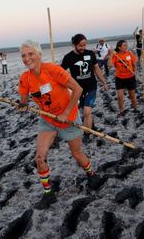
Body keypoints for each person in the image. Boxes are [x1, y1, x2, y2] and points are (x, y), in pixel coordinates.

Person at [18, 40, 104, 209]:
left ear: (38, 55)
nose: (27, 58)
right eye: (23, 55)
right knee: (39, 158)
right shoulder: (25, 78)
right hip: (48, 120)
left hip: (69, 118)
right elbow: (23, 101)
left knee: (77, 154)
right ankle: (48, 194)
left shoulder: (52, 70)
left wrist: (65, 113)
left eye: (30, 54)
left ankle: (91, 174)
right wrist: (22, 105)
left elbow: (78, 89)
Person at [61, 34, 108, 143]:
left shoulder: (90, 54)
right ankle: (91, 125)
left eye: (84, 45)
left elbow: (96, 69)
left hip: (91, 87)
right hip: (77, 90)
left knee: (87, 112)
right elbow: (61, 73)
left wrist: (104, 82)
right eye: (80, 45)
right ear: (74, 45)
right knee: (84, 112)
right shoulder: (68, 57)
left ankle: (87, 134)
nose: (83, 47)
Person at [109, 40, 138, 115]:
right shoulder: (116, 56)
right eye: (124, 45)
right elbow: (109, 65)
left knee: (132, 96)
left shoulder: (130, 54)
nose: (126, 47)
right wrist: (111, 54)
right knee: (120, 96)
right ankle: (121, 111)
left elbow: (134, 64)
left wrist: (135, 72)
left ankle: (135, 108)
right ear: (119, 47)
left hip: (130, 78)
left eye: (126, 45)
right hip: (119, 78)